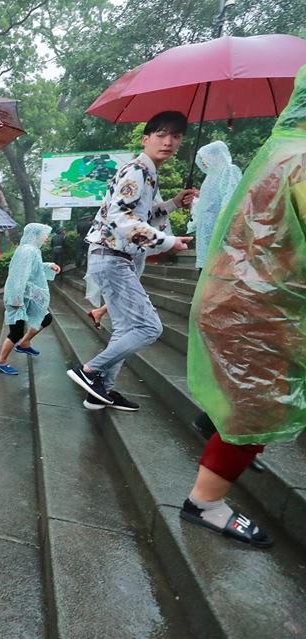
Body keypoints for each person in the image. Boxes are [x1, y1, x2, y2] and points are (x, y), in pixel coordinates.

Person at [181, 66, 306, 549]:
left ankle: (215, 423)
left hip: (233, 300)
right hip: (256, 312)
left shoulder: (277, 152)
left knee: (241, 403)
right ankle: (205, 503)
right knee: (257, 413)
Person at [67, 111, 197, 411]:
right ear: (146, 138)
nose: (169, 142)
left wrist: (175, 203)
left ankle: (101, 392)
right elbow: (119, 216)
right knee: (149, 328)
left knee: (127, 330)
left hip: (113, 257)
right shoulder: (138, 170)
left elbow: (142, 215)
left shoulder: (148, 173)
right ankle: (88, 371)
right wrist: (165, 241)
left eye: (175, 136)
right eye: (162, 134)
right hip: (112, 257)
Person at [0, 224, 61, 375]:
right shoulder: (27, 250)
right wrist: (16, 299)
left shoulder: (32, 250)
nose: (46, 238)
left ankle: (24, 343)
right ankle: (1, 361)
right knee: (16, 332)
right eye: (44, 235)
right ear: (35, 235)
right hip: (18, 296)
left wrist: (49, 265)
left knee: (46, 318)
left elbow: (34, 269)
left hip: (27, 294)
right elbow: (19, 275)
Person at [192, 140, 243, 270]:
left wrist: (223, 223)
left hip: (218, 226)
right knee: (205, 266)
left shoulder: (229, 170)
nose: (203, 161)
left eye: (205, 156)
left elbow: (231, 197)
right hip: (205, 228)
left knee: (218, 266)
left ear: (217, 155)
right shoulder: (210, 176)